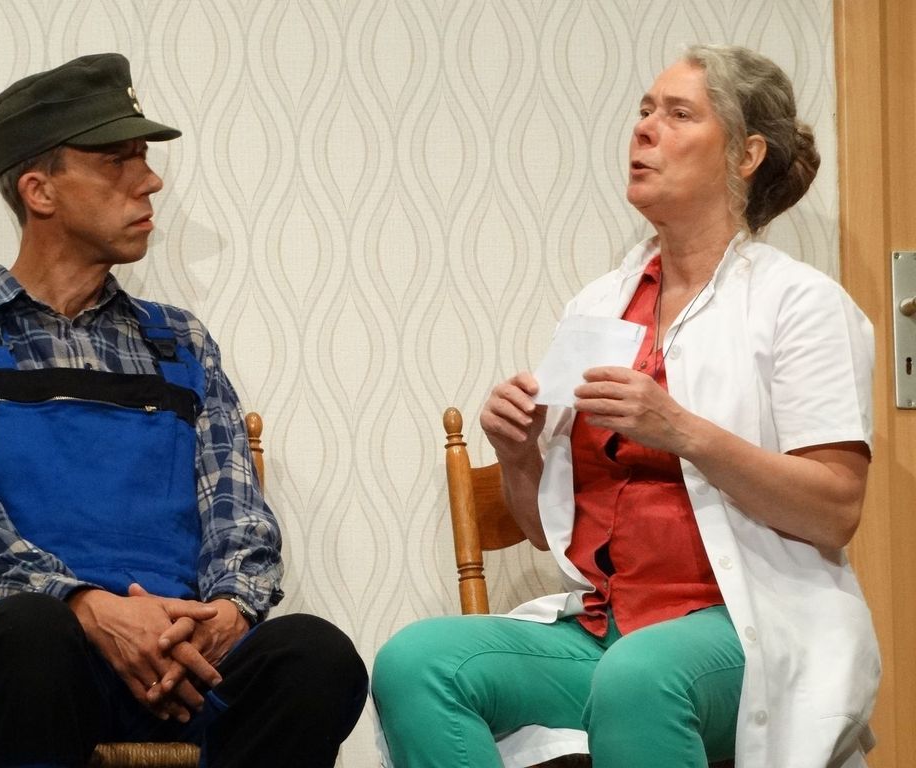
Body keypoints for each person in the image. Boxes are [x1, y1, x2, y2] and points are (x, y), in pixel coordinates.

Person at [372, 44, 879, 768]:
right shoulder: (599, 306)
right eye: (645, 110)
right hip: (604, 631)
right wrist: (518, 455)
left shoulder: (801, 304)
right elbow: (545, 531)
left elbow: (835, 509)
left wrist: (683, 432)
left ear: (746, 155)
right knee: (417, 663)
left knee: (639, 681)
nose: (644, 128)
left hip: (749, 628)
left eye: (679, 114)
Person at [0, 53, 367, 768]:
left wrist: (225, 613)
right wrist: (90, 608)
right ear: (39, 190)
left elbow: (238, 515)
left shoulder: (179, 342)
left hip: (183, 658)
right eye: (119, 161)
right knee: (29, 634)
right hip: (41, 657)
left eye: (143, 159)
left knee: (317, 656)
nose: (150, 181)